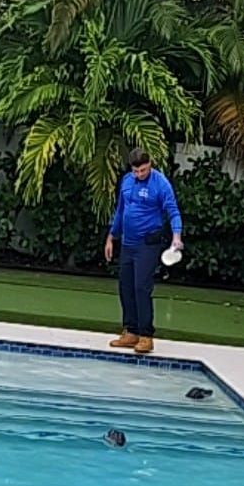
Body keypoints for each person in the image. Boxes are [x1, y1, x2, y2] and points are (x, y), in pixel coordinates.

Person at [104, 148, 183, 354]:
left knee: (141, 287)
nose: (140, 174)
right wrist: (111, 237)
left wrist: (176, 236)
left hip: (148, 244)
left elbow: (173, 211)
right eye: (136, 171)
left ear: (150, 164)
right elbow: (121, 210)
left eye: (144, 170)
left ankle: (146, 335)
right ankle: (131, 331)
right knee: (126, 286)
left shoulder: (160, 183)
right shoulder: (127, 181)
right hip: (128, 244)